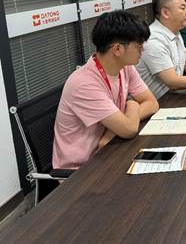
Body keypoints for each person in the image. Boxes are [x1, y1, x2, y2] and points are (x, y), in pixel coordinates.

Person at [53, 11, 159, 169]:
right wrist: (133, 105)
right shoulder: (84, 84)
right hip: (81, 170)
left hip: (108, 149)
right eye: (138, 45)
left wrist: (112, 131)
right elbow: (129, 129)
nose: (142, 50)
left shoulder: (125, 67)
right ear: (117, 49)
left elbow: (152, 103)